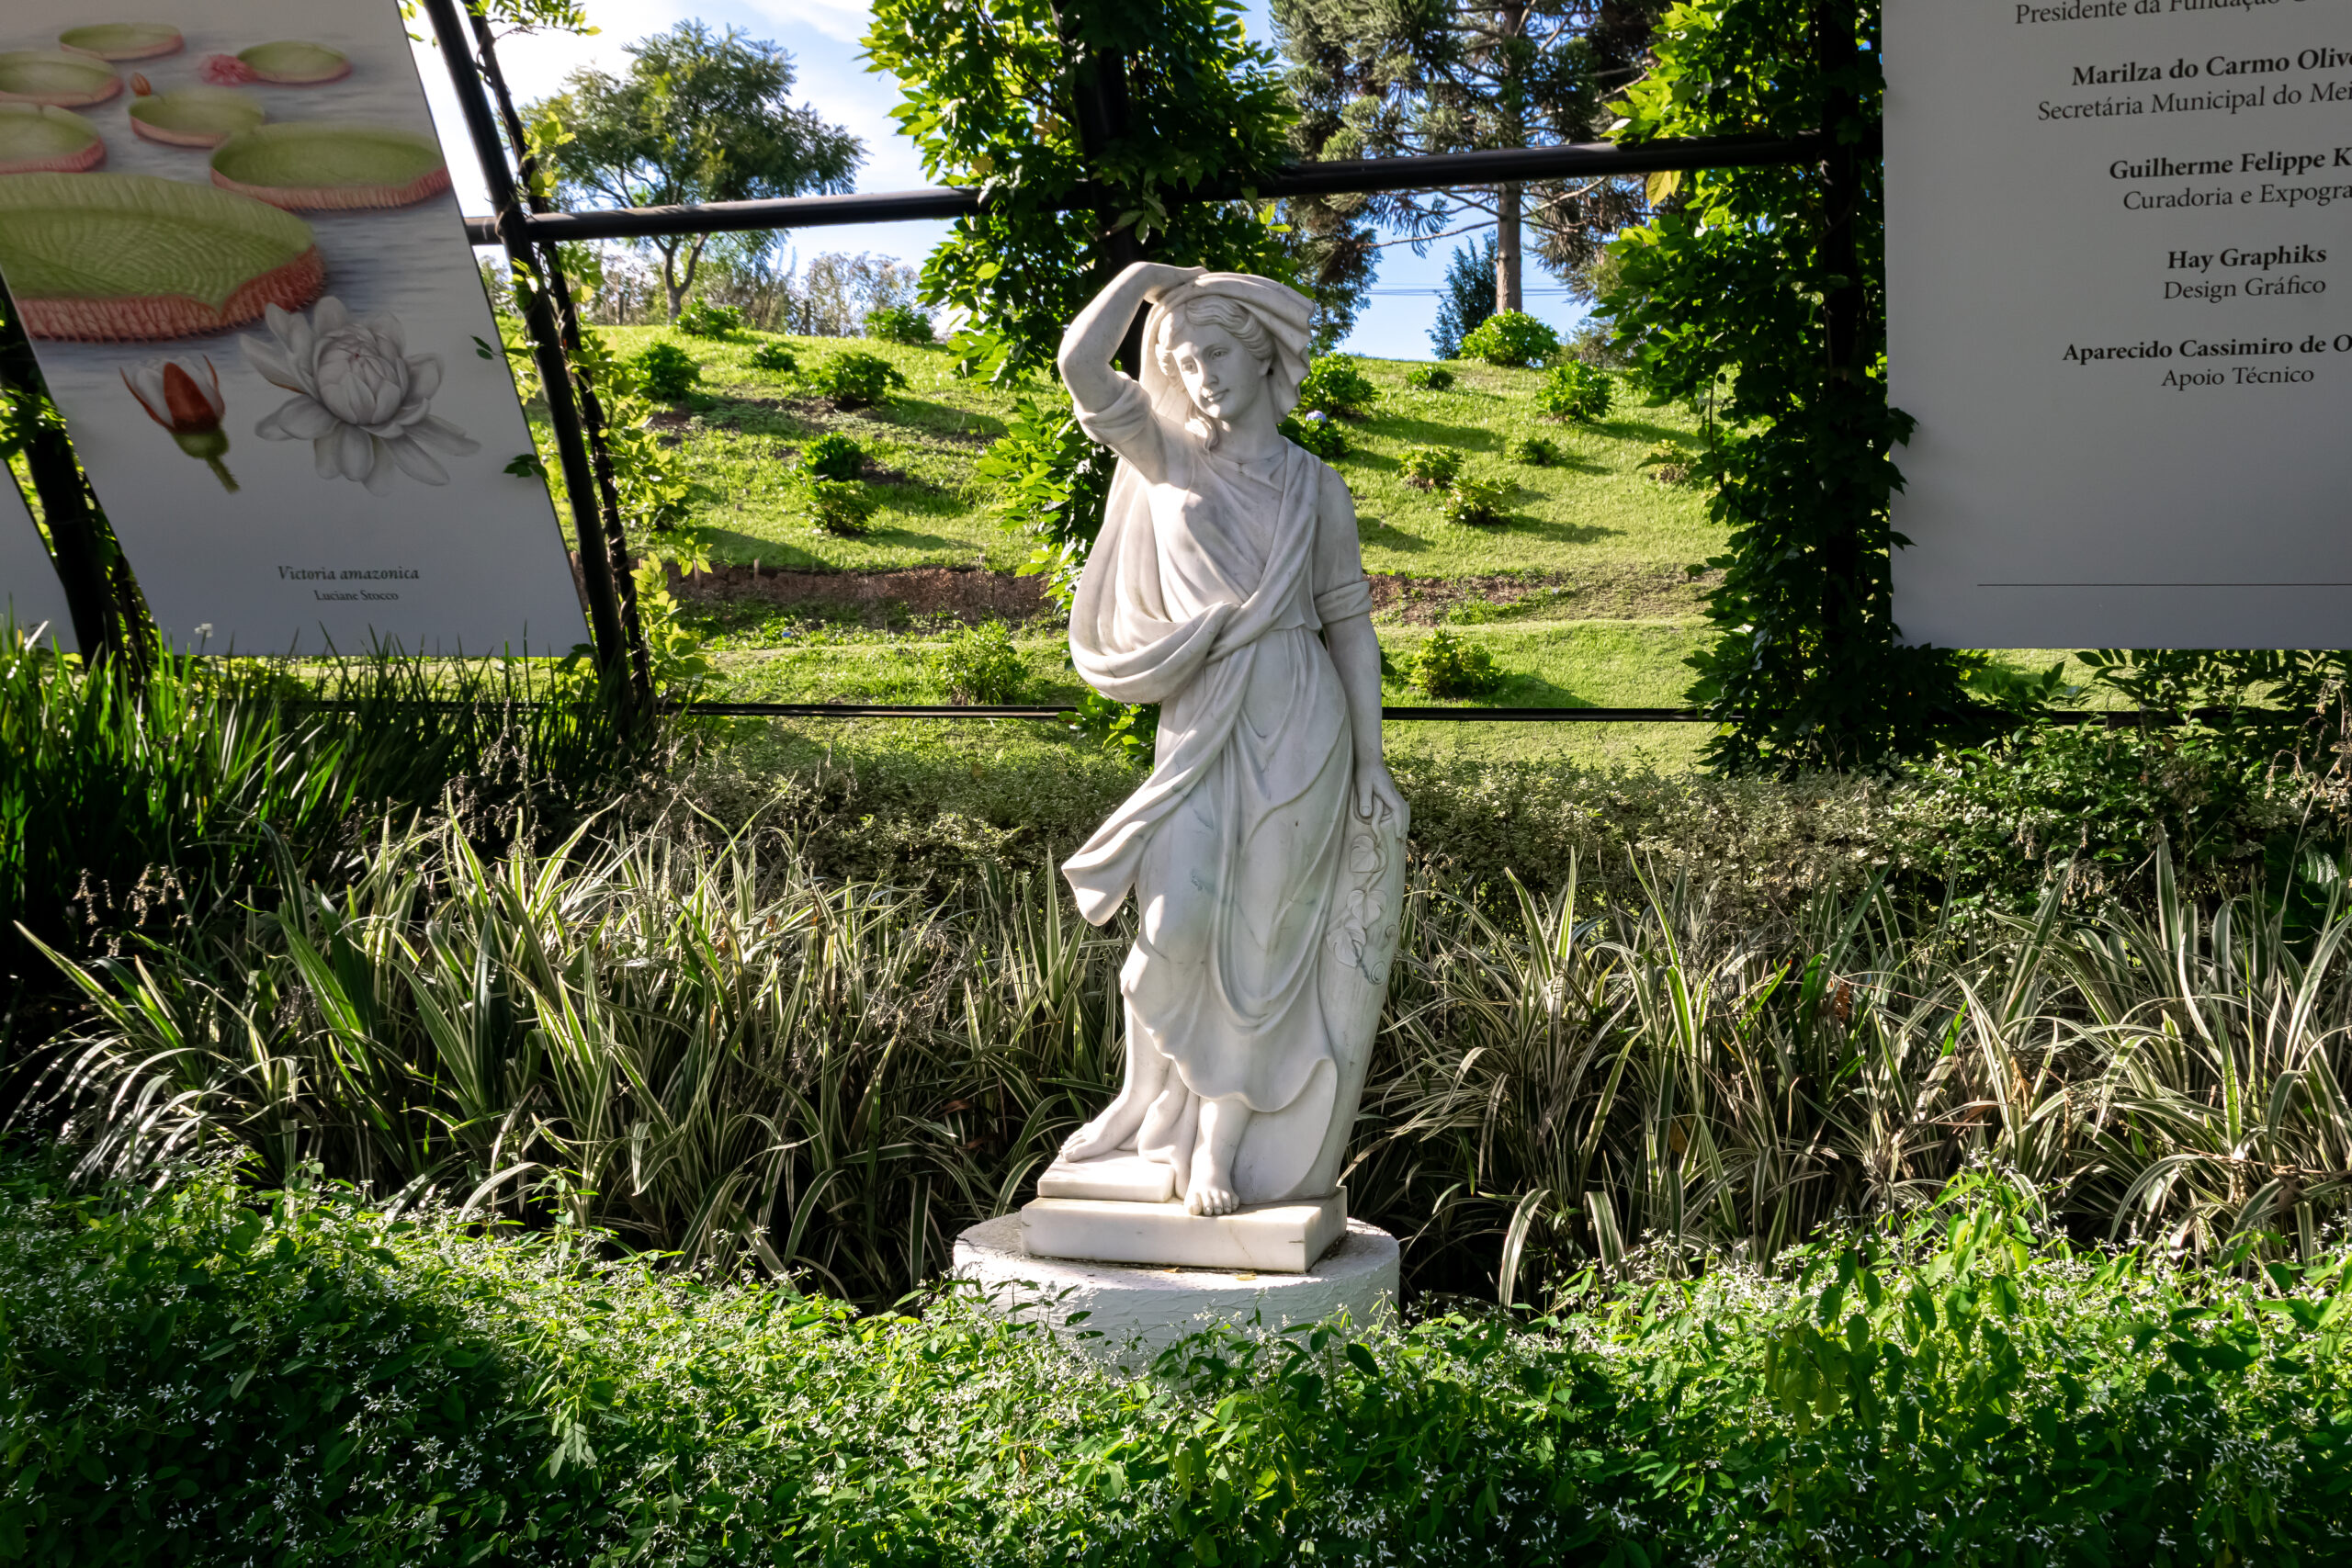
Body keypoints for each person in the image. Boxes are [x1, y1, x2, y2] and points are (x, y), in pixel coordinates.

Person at [1053, 262, 1405, 1217]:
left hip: (1300, 718)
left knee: (1262, 944)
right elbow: (1080, 366)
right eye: (1180, 358)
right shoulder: (1166, 453)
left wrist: (1372, 760)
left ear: (1258, 354)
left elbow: (1350, 628)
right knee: (1173, 931)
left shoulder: (1315, 487)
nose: (1196, 372)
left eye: (1212, 351)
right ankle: (1143, 1108)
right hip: (1203, 717)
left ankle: (1216, 1151)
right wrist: (1137, 283)